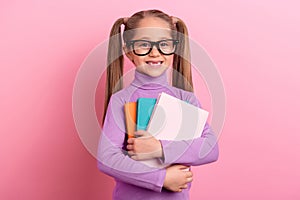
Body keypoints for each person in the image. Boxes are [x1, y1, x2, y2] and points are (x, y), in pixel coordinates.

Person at [97, 9, 219, 200]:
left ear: (174, 48)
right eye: (144, 44)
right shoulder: (121, 100)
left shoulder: (186, 100)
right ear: (129, 51)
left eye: (164, 44)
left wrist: (159, 149)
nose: (155, 52)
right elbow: (107, 159)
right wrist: (161, 178)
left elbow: (211, 148)